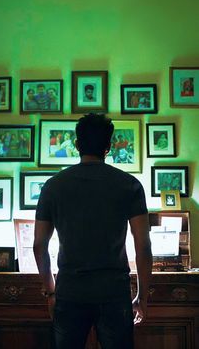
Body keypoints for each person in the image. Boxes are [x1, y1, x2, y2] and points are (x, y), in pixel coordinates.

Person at [33, 113, 152, 349]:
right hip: (114, 292)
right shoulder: (129, 185)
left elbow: (39, 245)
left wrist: (50, 292)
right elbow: (143, 246)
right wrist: (142, 297)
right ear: (108, 147)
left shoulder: (53, 186)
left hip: (70, 291)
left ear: (77, 145)